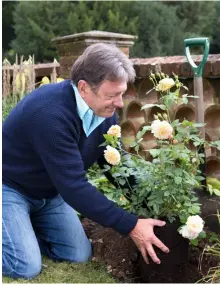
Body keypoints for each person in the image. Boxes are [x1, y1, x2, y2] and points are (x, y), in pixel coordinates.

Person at [2, 43, 169, 279]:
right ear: (83, 88)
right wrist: (130, 225)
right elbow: (73, 187)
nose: (120, 104)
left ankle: (21, 228)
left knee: (77, 254)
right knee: (24, 266)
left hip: (48, 194)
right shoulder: (50, 114)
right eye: (112, 95)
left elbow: (117, 165)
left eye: (121, 94)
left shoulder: (105, 112)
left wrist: (152, 203)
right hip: (9, 187)